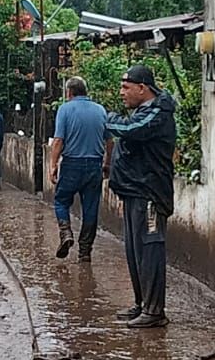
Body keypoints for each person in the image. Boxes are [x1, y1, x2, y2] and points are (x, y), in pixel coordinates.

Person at [107, 64, 178, 329]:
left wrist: (111, 119)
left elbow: (130, 130)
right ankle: (142, 304)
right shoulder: (142, 112)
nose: (121, 92)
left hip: (150, 194)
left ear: (142, 88)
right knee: (134, 252)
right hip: (133, 192)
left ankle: (154, 311)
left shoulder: (157, 113)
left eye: (126, 87)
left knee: (150, 251)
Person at [49, 77, 110, 262]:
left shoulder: (65, 109)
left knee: (61, 201)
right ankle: (85, 252)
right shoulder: (100, 110)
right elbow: (110, 140)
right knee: (90, 208)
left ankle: (66, 232)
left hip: (72, 164)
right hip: (94, 165)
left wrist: (53, 164)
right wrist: (107, 164)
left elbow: (58, 140)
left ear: (69, 92)